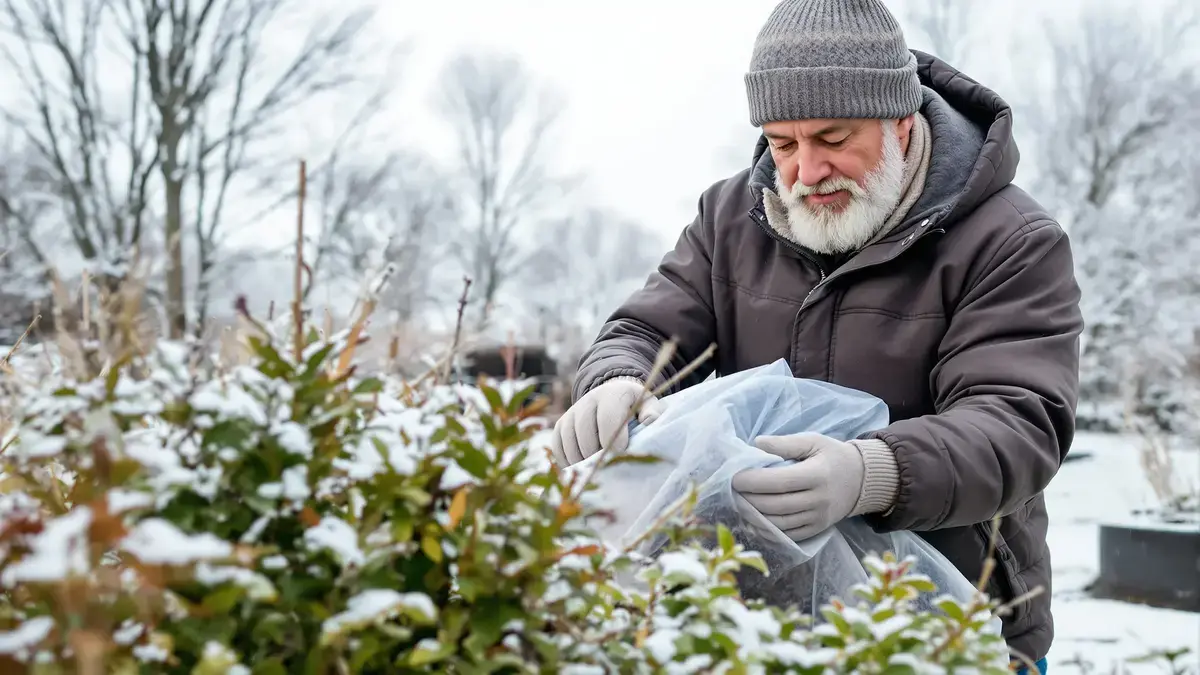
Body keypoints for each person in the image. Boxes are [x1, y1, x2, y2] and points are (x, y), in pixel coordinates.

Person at [548, 0, 1083, 670]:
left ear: (901, 121)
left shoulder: (1009, 242)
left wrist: (873, 472)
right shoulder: (731, 217)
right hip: (753, 614)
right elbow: (646, 328)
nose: (804, 171)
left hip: (943, 619)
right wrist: (617, 380)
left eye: (833, 139)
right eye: (781, 143)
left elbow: (1018, 423)